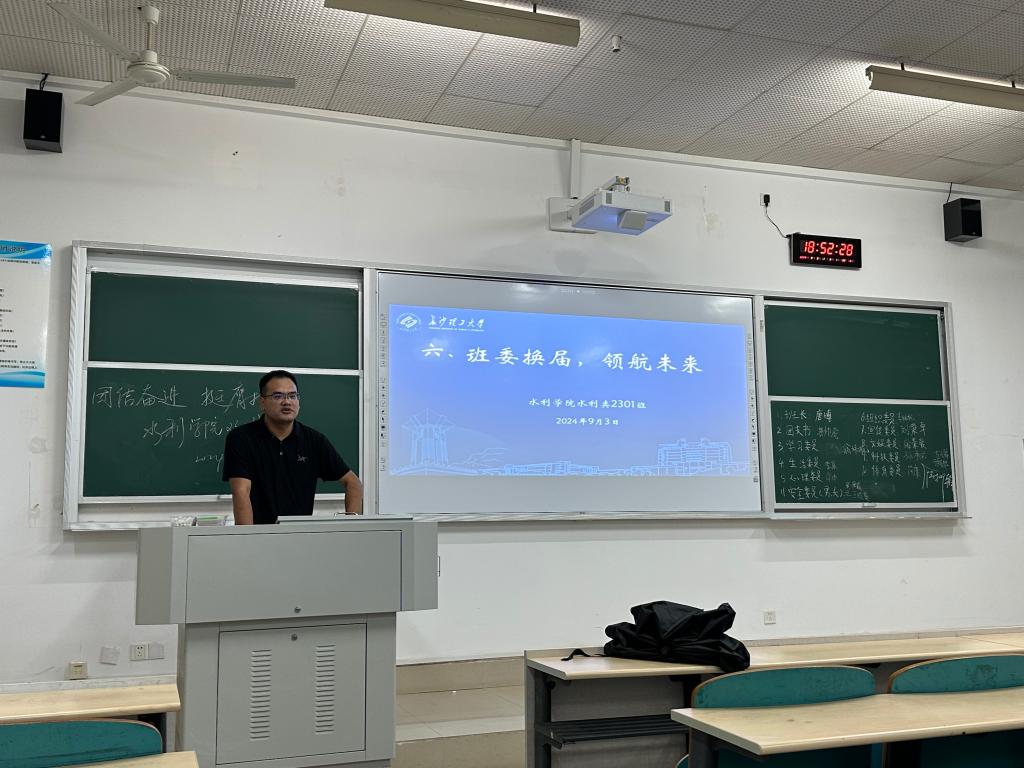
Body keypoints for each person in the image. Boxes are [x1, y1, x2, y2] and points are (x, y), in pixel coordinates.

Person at [222, 369, 363, 524]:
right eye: (278, 396)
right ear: (262, 402)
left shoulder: (314, 441)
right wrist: (248, 535)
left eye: (292, 396)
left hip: (300, 533)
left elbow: (353, 483)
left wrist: (350, 526)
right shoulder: (241, 438)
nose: (287, 402)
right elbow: (241, 491)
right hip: (259, 532)